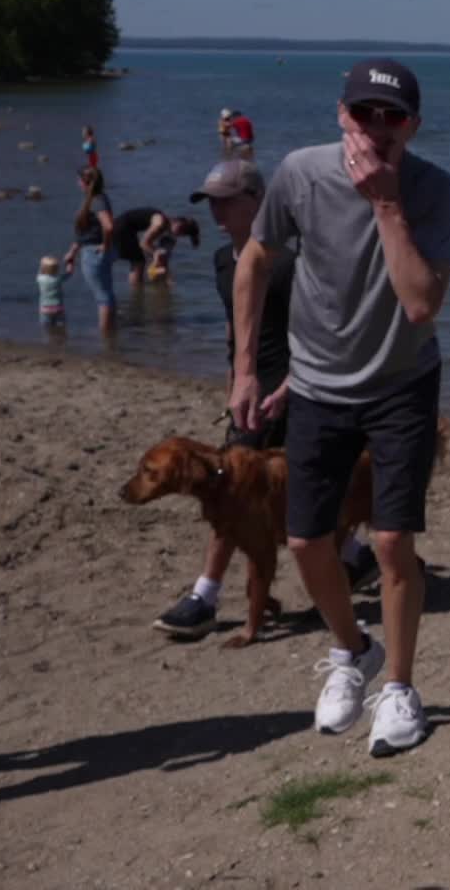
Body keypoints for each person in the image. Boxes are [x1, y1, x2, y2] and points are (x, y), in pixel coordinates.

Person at [230, 58, 450, 756]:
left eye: (393, 117)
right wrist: (246, 369)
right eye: (364, 113)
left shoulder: (433, 189)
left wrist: (386, 204)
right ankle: (351, 650)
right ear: (341, 114)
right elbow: (254, 260)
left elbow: (420, 303)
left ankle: (400, 688)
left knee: (390, 542)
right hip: (317, 384)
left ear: (414, 125)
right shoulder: (300, 173)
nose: (377, 128)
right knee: (305, 541)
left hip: (402, 383)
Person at [153, 159, 380, 639]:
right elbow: (237, 332)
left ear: (258, 201)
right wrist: (236, 381)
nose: (216, 210)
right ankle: (356, 557)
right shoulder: (223, 261)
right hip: (251, 396)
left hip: (297, 392)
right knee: (239, 491)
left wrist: (289, 386)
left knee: (244, 493)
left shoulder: (291, 266)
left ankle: (205, 597)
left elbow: (328, 335)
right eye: (210, 201)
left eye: (227, 200)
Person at [61, 165, 118, 332]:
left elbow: (108, 227)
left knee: (103, 297)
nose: (77, 182)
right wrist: (72, 252)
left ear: (85, 182)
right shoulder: (97, 198)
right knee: (107, 294)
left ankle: (106, 336)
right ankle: (111, 333)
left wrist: (105, 245)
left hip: (94, 253)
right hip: (97, 250)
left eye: (79, 179)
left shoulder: (96, 201)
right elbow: (87, 232)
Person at [114, 208, 201, 286]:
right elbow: (143, 243)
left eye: (182, 233)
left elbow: (151, 246)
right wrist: (156, 253)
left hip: (125, 228)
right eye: (180, 229)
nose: (178, 234)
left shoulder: (164, 226)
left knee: (139, 261)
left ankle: (137, 290)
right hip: (121, 228)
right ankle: (136, 290)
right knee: (138, 262)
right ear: (176, 221)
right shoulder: (160, 223)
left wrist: (159, 256)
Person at [37, 255, 72, 326]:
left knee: (47, 327)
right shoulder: (58, 279)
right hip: (58, 308)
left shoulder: (40, 279)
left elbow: (40, 270)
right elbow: (69, 273)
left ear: (43, 268)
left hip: (45, 309)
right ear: (57, 269)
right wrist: (70, 262)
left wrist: (43, 263)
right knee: (60, 326)